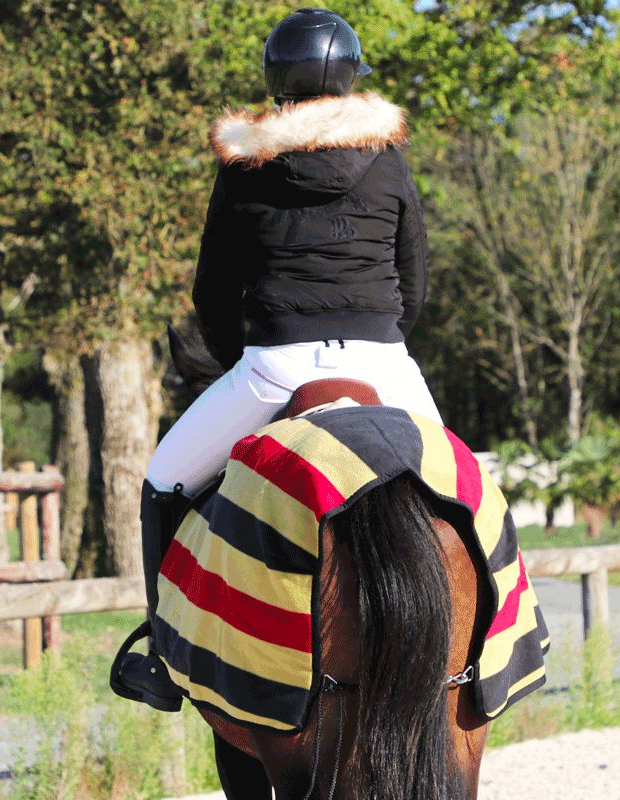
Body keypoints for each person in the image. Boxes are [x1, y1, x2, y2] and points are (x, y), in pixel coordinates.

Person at [113, 6, 442, 723]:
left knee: (163, 480)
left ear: (277, 82)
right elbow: (414, 279)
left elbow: (211, 291)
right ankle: (504, 649)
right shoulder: (388, 160)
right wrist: (381, 339)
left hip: (275, 367)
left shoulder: (245, 167)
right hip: (385, 362)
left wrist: (248, 364)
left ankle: (165, 660)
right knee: (465, 489)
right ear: (350, 77)